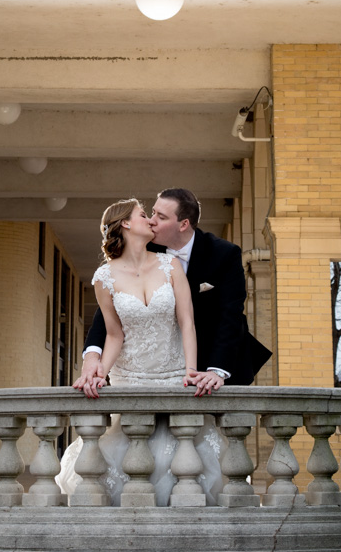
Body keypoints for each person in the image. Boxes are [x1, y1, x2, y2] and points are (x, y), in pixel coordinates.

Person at [56, 196, 226, 505]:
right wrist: (99, 374)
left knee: (181, 458)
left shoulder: (170, 265)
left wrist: (190, 370)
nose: (150, 219)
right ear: (125, 223)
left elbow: (187, 322)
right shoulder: (103, 278)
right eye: (143, 214)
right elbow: (113, 334)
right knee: (130, 458)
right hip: (131, 375)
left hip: (174, 373)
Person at [77, 187, 271, 399]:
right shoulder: (144, 246)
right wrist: (92, 358)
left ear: (183, 224)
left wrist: (216, 371)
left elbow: (230, 316)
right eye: (150, 213)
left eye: (160, 217)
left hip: (214, 358)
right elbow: (113, 311)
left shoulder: (224, 254)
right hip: (142, 368)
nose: (151, 221)